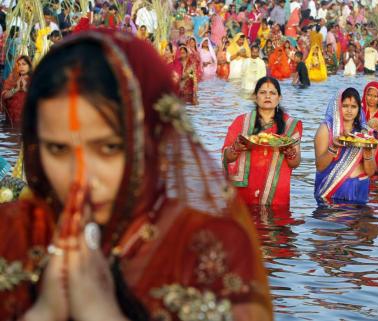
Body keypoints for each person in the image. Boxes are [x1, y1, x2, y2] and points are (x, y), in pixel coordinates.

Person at [0, 29, 273, 321]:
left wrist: (100, 312)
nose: (81, 177)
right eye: (57, 148)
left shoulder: (210, 248)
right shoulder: (12, 234)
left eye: (108, 148)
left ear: (151, 140)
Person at [222, 77, 302, 206]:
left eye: (272, 93)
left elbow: (295, 163)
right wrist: (236, 148)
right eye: (263, 92)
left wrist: (290, 153)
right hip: (244, 192)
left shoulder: (290, 125)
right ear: (255, 97)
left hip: (276, 193)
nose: (267, 96)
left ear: (279, 98)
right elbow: (227, 157)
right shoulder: (241, 122)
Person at [314, 88, 376, 205]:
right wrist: (333, 147)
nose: (349, 110)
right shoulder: (326, 130)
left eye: (353, 107)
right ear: (337, 106)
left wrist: (367, 153)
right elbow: (320, 166)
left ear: (359, 109)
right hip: (332, 191)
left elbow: (371, 171)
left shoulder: (366, 134)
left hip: (359, 188)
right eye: (345, 106)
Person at [1, 55, 32, 126]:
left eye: (24, 64)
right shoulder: (12, 79)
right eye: (19, 64)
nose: (21, 67)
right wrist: (16, 89)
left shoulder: (35, 79)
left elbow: (40, 98)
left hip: (28, 120)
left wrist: (25, 89)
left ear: (29, 66)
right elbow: (4, 96)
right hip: (12, 120)